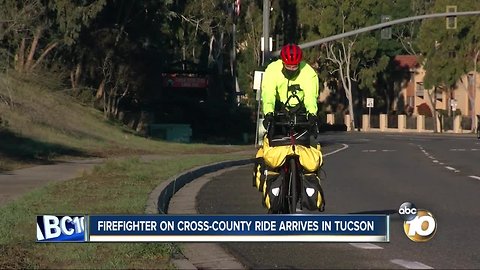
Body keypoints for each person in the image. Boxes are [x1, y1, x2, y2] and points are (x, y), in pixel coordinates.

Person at [261, 43, 319, 137]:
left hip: (300, 109)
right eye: (288, 66)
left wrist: (312, 114)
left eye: (294, 66)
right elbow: (268, 93)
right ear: (283, 63)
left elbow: (311, 96)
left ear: (299, 63)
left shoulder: (309, 72)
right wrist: (268, 114)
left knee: (308, 140)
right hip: (279, 107)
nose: (291, 69)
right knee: (272, 138)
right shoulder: (272, 70)